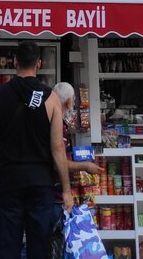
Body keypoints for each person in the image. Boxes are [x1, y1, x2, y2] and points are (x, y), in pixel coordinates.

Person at [0, 41, 73, 259]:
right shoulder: (52, 99)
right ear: (39, 63)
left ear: (15, 62)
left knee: (6, 245)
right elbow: (57, 148)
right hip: (40, 182)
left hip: (9, 180)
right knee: (39, 245)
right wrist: (66, 189)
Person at [52, 82, 101, 213]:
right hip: (55, 196)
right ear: (68, 102)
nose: (73, 103)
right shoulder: (58, 127)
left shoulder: (56, 123)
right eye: (73, 99)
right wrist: (85, 166)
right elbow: (58, 162)